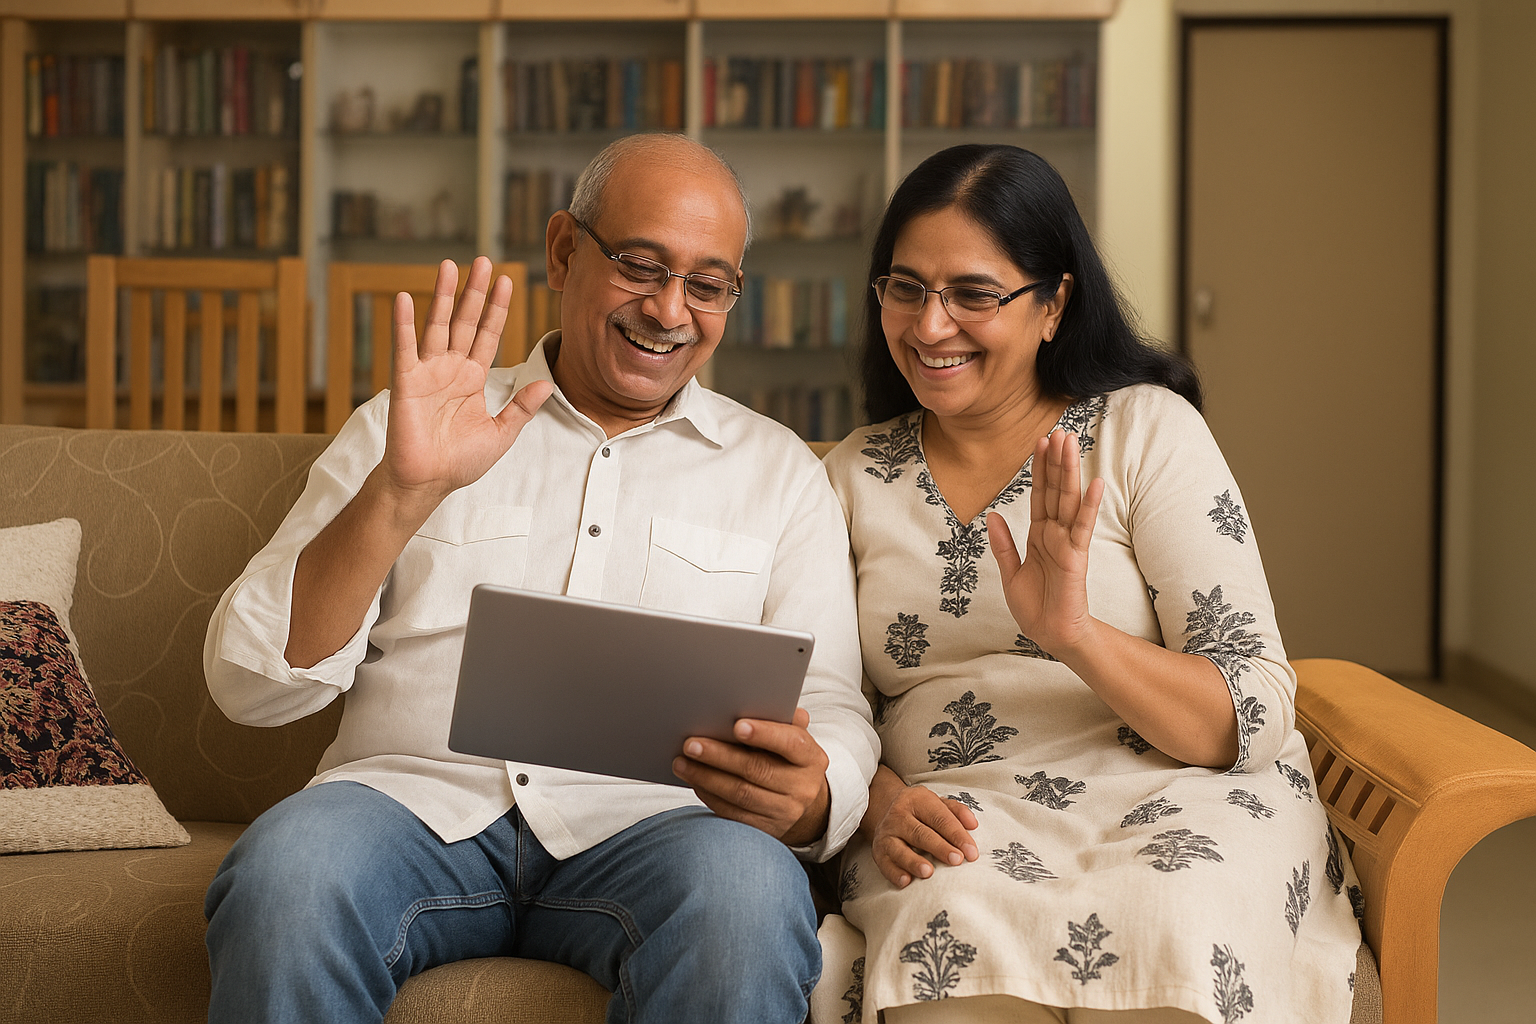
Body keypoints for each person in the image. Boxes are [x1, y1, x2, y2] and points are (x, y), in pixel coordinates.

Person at [202, 133, 879, 1024]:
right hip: (409, 811)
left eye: (707, 284)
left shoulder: (781, 471)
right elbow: (247, 687)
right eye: (641, 265)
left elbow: (830, 697)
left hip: (661, 831)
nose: (670, 309)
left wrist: (819, 790)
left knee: (748, 897)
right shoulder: (411, 426)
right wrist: (402, 491)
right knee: (289, 873)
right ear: (564, 248)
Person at [810, 145, 1364, 1024]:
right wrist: (880, 809)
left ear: (1054, 304)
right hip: (957, 808)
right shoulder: (849, 477)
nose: (929, 325)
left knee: (1172, 920)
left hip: (1182, 791)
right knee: (953, 930)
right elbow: (825, 704)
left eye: (974, 294)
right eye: (905, 287)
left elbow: (1251, 706)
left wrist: (1076, 634)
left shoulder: (1147, 431)